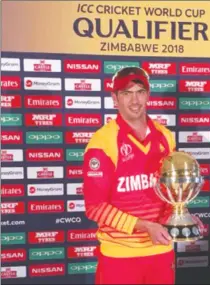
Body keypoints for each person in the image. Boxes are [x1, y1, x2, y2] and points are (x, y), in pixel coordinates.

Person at [83, 66, 203, 284]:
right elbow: (95, 207)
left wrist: (181, 217)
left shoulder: (165, 137)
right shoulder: (102, 142)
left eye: (140, 91)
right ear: (114, 98)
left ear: (148, 95)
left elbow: (170, 192)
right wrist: (146, 226)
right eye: (126, 93)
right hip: (120, 255)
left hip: (160, 251)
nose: (134, 100)